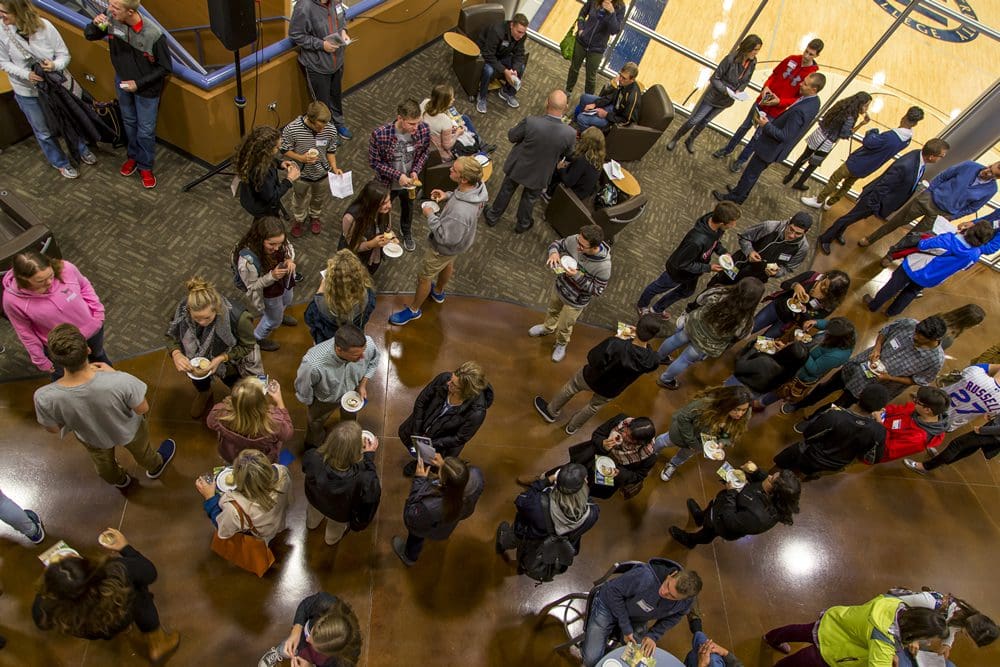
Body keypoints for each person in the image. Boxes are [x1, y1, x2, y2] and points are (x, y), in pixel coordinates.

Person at [34, 324, 176, 488]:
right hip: (129, 430)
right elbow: (142, 409)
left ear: (55, 360)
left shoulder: (43, 396)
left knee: (104, 465)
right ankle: (155, 466)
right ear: (88, 350)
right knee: (143, 452)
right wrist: (113, 374)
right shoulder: (121, 380)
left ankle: (120, 480)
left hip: (92, 438)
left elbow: (53, 429)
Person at [32, 528, 180, 662]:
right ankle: (158, 644)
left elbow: (41, 621)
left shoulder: (46, 606)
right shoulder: (116, 570)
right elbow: (150, 573)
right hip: (125, 609)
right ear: (90, 568)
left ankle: (125, 629)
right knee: (139, 596)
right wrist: (125, 548)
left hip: (96, 629)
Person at [0, 0, 98, 178]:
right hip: (27, 92)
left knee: (69, 119)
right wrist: (26, 74)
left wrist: (54, 65)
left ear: (19, 12)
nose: (1, 15)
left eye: (4, 12)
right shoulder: (1, 31)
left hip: (53, 89)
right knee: (43, 131)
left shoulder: (45, 27)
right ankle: (60, 162)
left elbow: (64, 55)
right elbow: (3, 62)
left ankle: (80, 149)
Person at [389, 156, 487, 326]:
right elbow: (460, 196)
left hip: (442, 247)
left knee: (424, 277)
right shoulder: (478, 188)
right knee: (447, 264)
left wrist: (430, 216)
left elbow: (444, 237)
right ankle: (439, 292)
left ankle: (414, 310)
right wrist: (447, 196)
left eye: (454, 170)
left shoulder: (460, 212)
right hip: (458, 245)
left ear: (463, 179)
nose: (450, 169)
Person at [84, 0, 171, 189]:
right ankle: (133, 156)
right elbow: (89, 35)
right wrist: (94, 24)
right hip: (122, 81)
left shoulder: (153, 35)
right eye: (110, 5)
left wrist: (138, 84)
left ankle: (145, 166)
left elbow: (165, 68)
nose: (109, 10)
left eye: (115, 7)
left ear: (130, 11)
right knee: (129, 122)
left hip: (147, 90)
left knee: (145, 130)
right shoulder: (111, 19)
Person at [782, 315, 946, 414]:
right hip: (858, 365)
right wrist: (877, 347)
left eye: (920, 336)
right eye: (916, 331)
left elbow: (918, 381)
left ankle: (814, 419)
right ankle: (800, 404)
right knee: (827, 387)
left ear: (933, 339)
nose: (914, 336)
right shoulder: (909, 324)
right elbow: (885, 332)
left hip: (874, 384)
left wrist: (889, 377)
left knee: (841, 404)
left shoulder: (934, 360)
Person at [534, 314, 660, 435]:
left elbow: (593, 357)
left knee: (571, 388)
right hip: (613, 388)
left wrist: (618, 338)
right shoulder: (653, 359)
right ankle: (572, 427)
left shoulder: (615, 344)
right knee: (593, 407)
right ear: (653, 336)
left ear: (636, 327)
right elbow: (646, 359)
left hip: (592, 377)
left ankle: (551, 412)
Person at [817, 139, 950, 254]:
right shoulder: (907, 165)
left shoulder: (918, 158)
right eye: (941, 156)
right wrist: (873, 204)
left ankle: (838, 232)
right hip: (874, 199)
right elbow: (884, 185)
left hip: (877, 200)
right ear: (932, 156)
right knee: (848, 218)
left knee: (852, 218)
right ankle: (825, 238)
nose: (941, 159)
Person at [713, 72, 825, 204]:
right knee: (753, 174)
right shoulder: (814, 102)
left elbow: (785, 135)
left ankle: (735, 197)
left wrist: (766, 125)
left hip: (770, 148)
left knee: (750, 173)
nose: (801, 84)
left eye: (805, 84)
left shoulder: (800, 111)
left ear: (814, 89)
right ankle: (741, 193)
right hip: (773, 148)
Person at [712, 39, 824, 167]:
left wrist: (780, 102)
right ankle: (727, 149)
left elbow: (799, 99)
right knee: (744, 127)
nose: (806, 56)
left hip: (776, 112)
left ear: (817, 56)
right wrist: (766, 87)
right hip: (762, 102)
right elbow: (774, 75)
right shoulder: (791, 59)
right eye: (806, 51)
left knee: (757, 137)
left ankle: (740, 161)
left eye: (811, 54)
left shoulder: (811, 76)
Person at [166, 277, 262, 419]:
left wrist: (221, 358)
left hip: (230, 363)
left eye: (207, 318)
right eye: (196, 318)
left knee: (237, 387)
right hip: (195, 359)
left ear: (217, 309)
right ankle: (204, 393)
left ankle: (240, 406)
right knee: (199, 378)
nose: (202, 323)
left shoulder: (238, 317)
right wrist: (176, 354)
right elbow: (171, 334)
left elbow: (248, 346)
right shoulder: (183, 309)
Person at [2, 251, 109, 377]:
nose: (49, 282)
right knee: (67, 376)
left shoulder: (67, 268)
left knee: (99, 357)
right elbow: (26, 333)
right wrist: (40, 360)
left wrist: (98, 313)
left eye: (51, 276)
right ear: (24, 280)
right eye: (41, 281)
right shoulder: (12, 301)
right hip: (62, 347)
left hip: (92, 331)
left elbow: (84, 285)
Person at [764, 594, 948, 666]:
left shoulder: (896, 605)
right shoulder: (883, 643)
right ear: (917, 631)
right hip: (835, 650)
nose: (929, 642)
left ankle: (771, 637)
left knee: (798, 630)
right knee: (800, 662)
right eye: (927, 637)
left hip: (836, 621)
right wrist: (889, 655)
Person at [581, 558, 702, 667]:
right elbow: (612, 591)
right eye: (667, 585)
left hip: (636, 618)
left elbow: (676, 616)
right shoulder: (645, 576)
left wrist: (653, 635)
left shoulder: (686, 602)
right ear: (673, 574)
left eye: (672, 596)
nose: (664, 593)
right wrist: (626, 627)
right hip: (607, 605)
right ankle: (588, 646)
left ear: (683, 599)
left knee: (639, 661)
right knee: (592, 660)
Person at [484, 89, 576, 233]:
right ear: (566, 108)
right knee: (530, 199)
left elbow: (512, 137)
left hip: (519, 165)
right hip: (542, 172)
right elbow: (568, 153)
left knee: (506, 190)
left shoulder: (531, 121)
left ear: (547, 103)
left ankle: (493, 216)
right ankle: (523, 224)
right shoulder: (570, 133)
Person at [864, 221, 999, 316]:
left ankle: (874, 305)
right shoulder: (975, 254)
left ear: (970, 230)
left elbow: (923, 245)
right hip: (934, 277)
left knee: (892, 285)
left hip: (915, 267)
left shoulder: (948, 240)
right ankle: (891, 312)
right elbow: (965, 268)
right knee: (911, 292)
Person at [803, 105, 924, 210]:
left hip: (858, 161)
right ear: (916, 123)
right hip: (869, 167)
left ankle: (818, 201)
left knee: (835, 178)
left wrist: (872, 132)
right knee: (847, 185)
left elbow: (870, 142)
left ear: (904, 116)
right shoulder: (907, 140)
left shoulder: (891, 136)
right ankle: (830, 203)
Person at [859, 159, 1000, 249]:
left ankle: (891, 255)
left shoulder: (991, 189)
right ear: (991, 163)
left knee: (915, 236)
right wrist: (929, 191)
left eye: (992, 175)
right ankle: (871, 239)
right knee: (895, 222)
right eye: (989, 168)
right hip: (927, 199)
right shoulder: (969, 165)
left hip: (943, 214)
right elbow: (944, 176)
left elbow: (973, 207)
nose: (987, 173)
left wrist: (952, 216)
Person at [656, 279, 765, 390]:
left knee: (674, 340)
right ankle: (665, 380)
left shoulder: (719, 291)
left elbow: (699, 300)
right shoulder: (746, 321)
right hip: (708, 343)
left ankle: (657, 358)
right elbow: (739, 337)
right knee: (684, 360)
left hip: (693, 324)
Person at [636, 202, 740, 317]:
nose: (734, 225)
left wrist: (723, 251)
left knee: (687, 292)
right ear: (722, 223)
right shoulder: (695, 241)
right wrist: (708, 268)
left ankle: (657, 309)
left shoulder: (716, 226)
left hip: (693, 272)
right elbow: (683, 264)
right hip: (677, 272)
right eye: (732, 223)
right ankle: (642, 305)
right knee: (657, 287)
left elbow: (715, 242)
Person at [495, 463, 599, 575]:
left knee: (513, 538)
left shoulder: (538, 504)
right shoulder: (593, 513)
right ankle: (524, 567)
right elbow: (585, 502)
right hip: (555, 547)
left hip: (529, 537)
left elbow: (521, 501)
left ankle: (502, 544)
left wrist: (547, 480)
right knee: (531, 557)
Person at [667, 34, 761, 154]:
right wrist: (726, 91)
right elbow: (715, 78)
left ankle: (690, 140)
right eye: (755, 49)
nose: (757, 53)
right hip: (715, 96)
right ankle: (676, 138)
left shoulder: (753, 62)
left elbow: (746, 80)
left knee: (705, 122)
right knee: (694, 120)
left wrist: (739, 90)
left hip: (726, 101)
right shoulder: (730, 59)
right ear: (748, 47)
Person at [530, 224, 612, 362]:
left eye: (582, 246)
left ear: (594, 247)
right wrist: (554, 252)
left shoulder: (604, 267)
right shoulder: (577, 240)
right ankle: (548, 327)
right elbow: (558, 244)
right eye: (578, 242)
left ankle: (561, 344)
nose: (577, 246)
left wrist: (576, 276)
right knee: (552, 311)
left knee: (564, 326)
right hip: (560, 287)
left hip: (575, 301)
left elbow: (597, 290)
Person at [669, 464, 800, 548]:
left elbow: (730, 520)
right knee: (710, 511)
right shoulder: (775, 495)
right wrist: (756, 472)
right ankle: (700, 517)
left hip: (721, 523)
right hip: (721, 505)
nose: (769, 475)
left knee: (708, 532)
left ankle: (691, 540)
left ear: (774, 492)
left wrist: (731, 493)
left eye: (771, 478)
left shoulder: (758, 517)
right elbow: (766, 479)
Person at [397, 361, 493, 476]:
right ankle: (419, 459)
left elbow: (459, 438)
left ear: (466, 392)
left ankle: (422, 464)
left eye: (454, 384)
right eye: (451, 378)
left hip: (442, 443)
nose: (448, 383)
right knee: (411, 443)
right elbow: (421, 401)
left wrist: (430, 444)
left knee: (431, 461)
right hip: (422, 425)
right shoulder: (444, 379)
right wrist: (417, 432)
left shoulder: (476, 413)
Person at [773, 384, 890, 476]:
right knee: (798, 477)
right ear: (880, 409)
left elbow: (809, 434)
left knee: (779, 467)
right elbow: (872, 458)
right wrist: (879, 424)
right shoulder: (879, 431)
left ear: (859, 395)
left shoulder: (835, 415)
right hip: (833, 466)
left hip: (809, 455)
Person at [294, 324, 380, 448]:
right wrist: (311, 403)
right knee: (315, 422)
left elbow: (374, 361)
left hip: (352, 392)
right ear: (339, 349)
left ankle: (347, 439)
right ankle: (313, 444)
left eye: (363, 351)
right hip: (325, 400)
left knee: (350, 420)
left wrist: (362, 385)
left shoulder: (369, 345)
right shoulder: (313, 364)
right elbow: (303, 387)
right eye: (356, 355)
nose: (362, 357)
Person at [392, 455, 484, 566]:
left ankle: (409, 556)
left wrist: (419, 479)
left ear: (444, 482)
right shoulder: (476, 475)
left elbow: (411, 518)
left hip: (427, 525)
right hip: (447, 525)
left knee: (416, 537)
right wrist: (446, 467)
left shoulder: (430, 505)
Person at [302, 421, 381, 546]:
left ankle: (311, 525)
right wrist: (369, 458)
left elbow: (305, 468)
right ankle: (331, 540)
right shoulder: (364, 477)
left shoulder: (313, 455)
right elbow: (371, 495)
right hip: (339, 513)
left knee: (313, 515)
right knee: (334, 528)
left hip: (315, 500)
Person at [368, 99, 430, 251]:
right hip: (387, 183)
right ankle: (383, 233)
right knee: (382, 208)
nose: (416, 127)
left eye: (418, 122)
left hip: (410, 183)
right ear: (400, 118)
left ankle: (406, 231)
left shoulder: (423, 129)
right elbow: (374, 162)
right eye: (411, 124)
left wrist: (415, 170)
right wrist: (398, 175)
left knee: (408, 207)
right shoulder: (380, 135)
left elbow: (424, 153)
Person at [196, 448, 292, 545]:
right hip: (278, 520)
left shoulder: (234, 508)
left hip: (259, 534)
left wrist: (210, 498)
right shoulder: (282, 471)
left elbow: (224, 531)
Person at [551, 414, 659, 500]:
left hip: (607, 477)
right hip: (589, 458)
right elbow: (598, 434)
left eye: (630, 437)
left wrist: (619, 473)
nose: (624, 435)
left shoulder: (648, 456)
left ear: (640, 443)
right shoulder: (621, 421)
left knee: (586, 490)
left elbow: (638, 476)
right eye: (626, 431)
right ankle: (548, 480)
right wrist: (603, 444)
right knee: (569, 472)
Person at [656, 386, 752, 482]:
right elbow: (683, 418)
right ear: (727, 403)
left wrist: (722, 442)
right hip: (683, 433)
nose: (740, 414)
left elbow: (728, 433)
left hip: (700, 443)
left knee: (684, 455)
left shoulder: (743, 416)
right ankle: (653, 450)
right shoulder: (706, 404)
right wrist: (692, 442)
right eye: (736, 409)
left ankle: (673, 464)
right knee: (665, 441)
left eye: (743, 410)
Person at [757, 317, 856, 409]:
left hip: (801, 372)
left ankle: (762, 402)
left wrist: (798, 349)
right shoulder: (846, 330)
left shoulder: (837, 356)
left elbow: (814, 369)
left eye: (828, 332)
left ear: (836, 338)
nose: (826, 331)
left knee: (781, 388)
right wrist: (816, 322)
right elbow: (828, 324)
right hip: (802, 355)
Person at [289, 0, 353, 139]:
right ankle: (327, 132)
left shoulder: (335, 1)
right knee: (322, 103)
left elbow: (341, 18)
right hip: (317, 66)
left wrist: (343, 31)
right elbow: (296, 35)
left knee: (336, 96)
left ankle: (338, 124)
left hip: (337, 62)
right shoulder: (304, 6)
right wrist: (321, 45)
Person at [233, 216, 298, 352]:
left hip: (284, 282)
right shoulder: (247, 261)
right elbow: (252, 286)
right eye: (271, 244)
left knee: (287, 299)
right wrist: (272, 276)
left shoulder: (279, 240)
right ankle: (258, 338)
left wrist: (289, 260)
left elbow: (289, 249)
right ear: (260, 239)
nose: (277, 248)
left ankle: (279, 313)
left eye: (280, 243)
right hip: (268, 291)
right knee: (272, 320)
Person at [782, 92, 872, 191]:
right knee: (812, 165)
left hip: (818, 134)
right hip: (825, 143)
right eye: (866, 105)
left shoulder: (841, 104)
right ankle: (799, 184)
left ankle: (788, 177)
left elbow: (826, 116)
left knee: (803, 157)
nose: (867, 108)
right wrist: (861, 124)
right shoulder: (850, 117)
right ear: (860, 104)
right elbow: (845, 134)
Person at [888, 589, 998, 667]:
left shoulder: (960, 617)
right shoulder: (931, 602)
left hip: (910, 642)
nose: (965, 636)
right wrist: (913, 636)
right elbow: (893, 606)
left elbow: (952, 629)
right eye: (967, 635)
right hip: (892, 632)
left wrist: (947, 645)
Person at [280, 101, 343, 236]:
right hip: (300, 175)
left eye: (325, 126)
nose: (323, 130)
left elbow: (331, 151)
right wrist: (301, 158)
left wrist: (335, 167)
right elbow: (284, 150)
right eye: (319, 127)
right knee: (299, 198)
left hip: (322, 174)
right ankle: (299, 219)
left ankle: (315, 216)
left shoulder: (330, 129)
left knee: (318, 198)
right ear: (310, 119)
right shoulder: (292, 129)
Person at [706, 212, 811, 288]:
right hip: (738, 264)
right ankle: (694, 305)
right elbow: (744, 237)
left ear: (806, 232)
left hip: (757, 278)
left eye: (798, 233)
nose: (792, 235)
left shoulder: (802, 248)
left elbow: (789, 268)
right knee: (717, 284)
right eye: (791, 229)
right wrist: (749, 252)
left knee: (735, 297)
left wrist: (777, 273)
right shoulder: (769, 227)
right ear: (788, 222)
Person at [258, 592, 362, 667]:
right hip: (301, 640)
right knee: (290, 645)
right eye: (311, 632)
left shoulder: (343, 662)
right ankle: (278, 652)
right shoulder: (328, 603)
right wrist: (297, 630)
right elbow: (305, 605)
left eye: (314, 644)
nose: (307, 639)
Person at [206, 377, 294, 464]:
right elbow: (287, 434)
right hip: (260, 460)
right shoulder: (274, 422)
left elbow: (210, 423)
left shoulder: (220, 414)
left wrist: (239, 400)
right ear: (263, 403)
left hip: (232, 456)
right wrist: (279, 400)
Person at [750, 269, 851, 339]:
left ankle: (745, 355)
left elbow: (812, 319)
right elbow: (784, 284)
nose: (822, 287)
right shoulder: (812, 276)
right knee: (751, 327)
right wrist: (795, 285)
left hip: (787, 323)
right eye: (824, 282)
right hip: (776, 308)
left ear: (834, 293)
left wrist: (804, 311)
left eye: (827, 290)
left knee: (762, 341)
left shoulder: (829, 304)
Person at [304, 250, 377, 344]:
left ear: (330, 280)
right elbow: (367, 316)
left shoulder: (319, 304)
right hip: (353, 337)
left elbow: (309, 319)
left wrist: (320, 291)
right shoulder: (368, 296)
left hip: (327, 341)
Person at [904, 411, 1000, 476]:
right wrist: (995, 417)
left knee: (957, 445)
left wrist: (983, 430)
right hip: (993, 431)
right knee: (967, 449)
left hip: (991, 433)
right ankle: (940, 461)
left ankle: (924, 467)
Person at [236, 126, 301, 219]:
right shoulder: (261, 172)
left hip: (251, 197)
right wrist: (289, 180)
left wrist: (280, 163)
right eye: (277, 148)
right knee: (268, 226)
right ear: (265, 150)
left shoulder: (253, 154)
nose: (279, 149)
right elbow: (272, 196)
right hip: (262, 207)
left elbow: (269, 159)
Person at [872, 386, 949, 463]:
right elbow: (896, 409)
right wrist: (883, 411)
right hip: (875, 428)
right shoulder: (917, 409)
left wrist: (879, 424)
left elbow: (887, 449)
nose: (914, 401)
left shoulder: (917, 438)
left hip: (874, 447)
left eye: (917, 401)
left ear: (927, 410)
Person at [565, 0, 625, 96]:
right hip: (581, 42)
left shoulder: (620, 7)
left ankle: (588, 100)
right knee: (574, 69)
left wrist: (612, 13)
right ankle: (568, 92)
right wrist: (581, 28)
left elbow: (615, 30)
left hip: (597, 49)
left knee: (591, 78)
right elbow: (582, 13)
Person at [475, 12, 528, 113]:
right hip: (487, 55)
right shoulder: (497, 31)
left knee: (521, 67)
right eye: (519, 32)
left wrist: (514, 70)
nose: (521, 36)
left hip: (502, 55)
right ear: (512, 25)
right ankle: (482, 97)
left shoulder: (522, 36)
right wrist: (504, 70)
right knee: (488, 70)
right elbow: (488, 54)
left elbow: (519, 54)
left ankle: (507, 92)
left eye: (523, 32)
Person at [420, 83, 487, 161]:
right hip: (440, 149)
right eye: (451, 98)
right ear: (444, 101)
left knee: (464, 118)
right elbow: (447, 146)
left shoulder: (425, 102)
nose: (454, 99)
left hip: (427, 135)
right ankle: (480, 145)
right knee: (465, 123)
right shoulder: (445, 121)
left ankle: (482, 144)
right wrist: (457, 133)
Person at [339, 179, 393, 274]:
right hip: (354, 258)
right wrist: (371, 244)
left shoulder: (384, 211)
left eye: (389, 201)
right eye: (383, 203)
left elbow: (387, 228)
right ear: (371, 204)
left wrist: (392, 237)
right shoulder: (351, 218)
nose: (389, 206)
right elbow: (351, 245)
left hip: (374, 255)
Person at [573, 61, 642, 130]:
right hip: (612, 107)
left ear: (632, 80)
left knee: (581, 118)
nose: (620, 79)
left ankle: (587, 134)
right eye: (620, 75)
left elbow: (627, 121)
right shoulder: (623, 83)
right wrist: (595, 104)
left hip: (613, 119)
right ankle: (578, 125)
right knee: (584, 97)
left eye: (624, 78)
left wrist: (606, 115)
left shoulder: (632, 97)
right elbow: (610, 97)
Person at [545, 126, 605, 201]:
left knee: (556, 167)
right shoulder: (597, 158)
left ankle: (548, 194)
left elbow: (568, 181)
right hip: (582, 191)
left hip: (573, 195)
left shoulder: (583, 160)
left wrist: (561, 168)